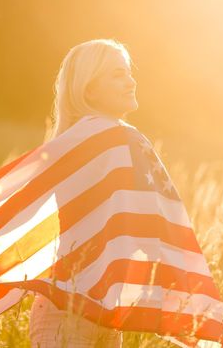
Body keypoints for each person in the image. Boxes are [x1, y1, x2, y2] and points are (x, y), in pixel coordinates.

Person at [29, 38, 138, 348]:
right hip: (70, 313)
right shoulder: (109, 137)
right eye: (118, 74)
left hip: (99, 309)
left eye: (129, 72)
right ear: (89, 90)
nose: (131, 81)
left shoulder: (77, 140)